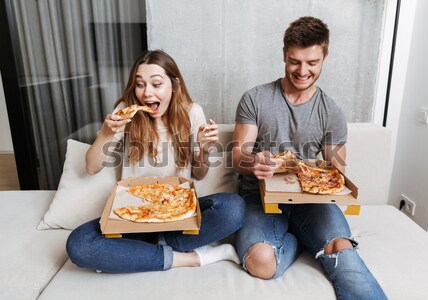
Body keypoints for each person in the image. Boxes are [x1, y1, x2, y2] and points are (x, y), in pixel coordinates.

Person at [232, 16, 387, 299]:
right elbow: (237, 157)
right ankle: (303, 240)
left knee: (342, 249)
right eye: (295, 61)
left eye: (312, 63)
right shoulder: (255, 98)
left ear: (325, 56)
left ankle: (312, 236)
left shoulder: (331, 112)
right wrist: (255, 162)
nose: (302, 71)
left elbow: (337, 170)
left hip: (310, 200)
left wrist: (327, 172)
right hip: (259, 198)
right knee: (262, 262)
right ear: (284, 55)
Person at [66, 50, 245, 273]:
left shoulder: (192, 112)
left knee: (234, 208)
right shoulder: (126, 111)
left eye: (156, 84)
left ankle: (130, 254)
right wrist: (105, 133)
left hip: (178, 216)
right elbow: (92, 167)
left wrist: (204, 150)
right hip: (132, 217)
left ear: (174, 84)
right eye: (140, 85)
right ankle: (189, 258)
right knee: (78, 244)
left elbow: (199, 174)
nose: (146, 93)